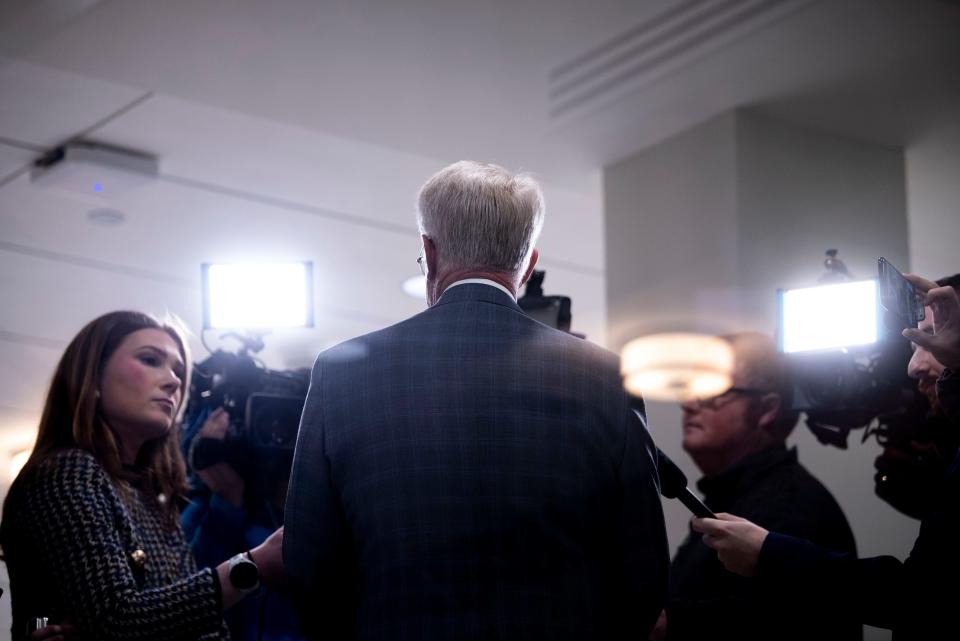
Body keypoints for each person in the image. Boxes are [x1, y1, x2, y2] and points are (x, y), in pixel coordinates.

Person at [284, 160, 669, 640]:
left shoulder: (339, 372)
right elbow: (645, 577)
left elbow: (308, 567)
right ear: (528, 264)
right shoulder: (605, 375)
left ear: (429, 250)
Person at [692, 274, 960, 638]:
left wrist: (768, 554)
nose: (913, 367)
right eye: (913, 343)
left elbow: (918, 597)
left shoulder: (789, 504)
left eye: (931, 338)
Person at [0, 311, 285, 641]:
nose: (175, 381)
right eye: (150, 360)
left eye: (178, 370)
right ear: (91, 378)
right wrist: (252, 566)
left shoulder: (148, 493)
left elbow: (202, 628)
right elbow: (116, 620)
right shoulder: (67, 474)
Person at [654, 332, 860, 641]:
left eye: (712, 389)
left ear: (768, 409)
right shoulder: (739, 496)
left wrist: (666, 625)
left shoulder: (789, 507)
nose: (688, 403)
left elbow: (770, 625)